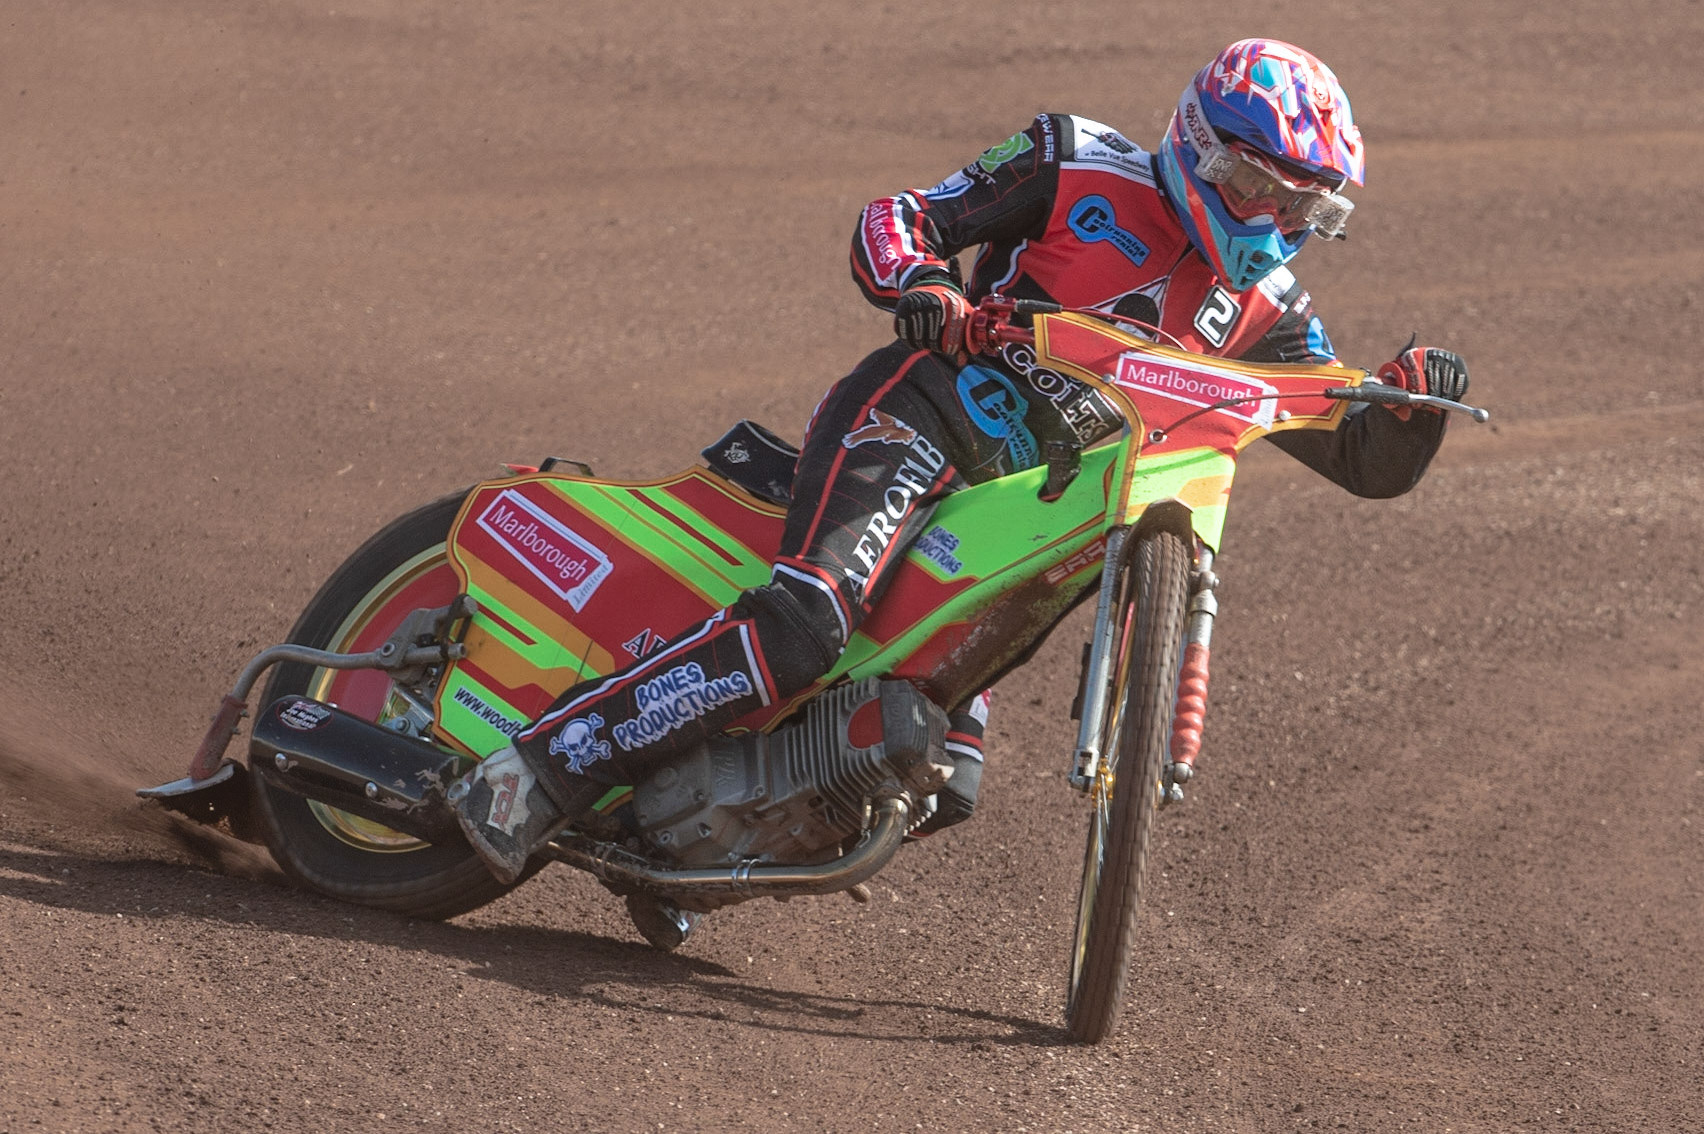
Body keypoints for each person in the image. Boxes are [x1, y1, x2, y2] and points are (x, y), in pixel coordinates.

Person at [449, 38, 1470, 906]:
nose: (1272, 223)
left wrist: (1410, 405)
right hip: (921, 419)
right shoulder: (1078, 165)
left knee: (938, 779)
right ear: (1200, 144)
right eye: (1256, 189)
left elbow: (1358, 454)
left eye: (1304, 212)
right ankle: (538, 768)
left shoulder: (1274, 318)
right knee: (804, 628)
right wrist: (927, 282)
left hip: (1018, 519)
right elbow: (901, 218)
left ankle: (677, 854)